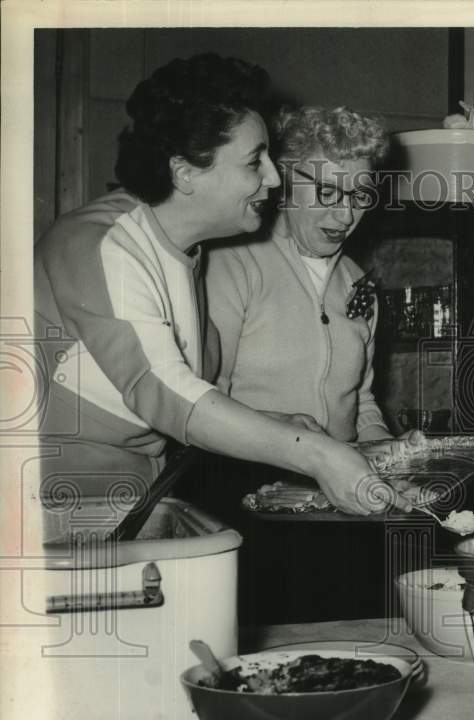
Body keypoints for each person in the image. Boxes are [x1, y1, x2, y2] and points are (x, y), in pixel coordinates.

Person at [34, 54, 399, 516]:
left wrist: (275, 422)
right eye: (254, 161)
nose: (272, 177)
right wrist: (315, 451)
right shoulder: (101, 243)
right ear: (186, 171)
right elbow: (165, 390)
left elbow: (178, 398)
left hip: (128, 501)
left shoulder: (190, 251)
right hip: (49, 507)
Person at [206, 105, 393, 443]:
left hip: (337, 486)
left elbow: (360, 403)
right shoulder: (233, 263)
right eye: (327, 192)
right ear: (286, 180)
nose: (346, 216)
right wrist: (283, 433)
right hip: (248, 477)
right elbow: (204, 403)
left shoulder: (357, 281)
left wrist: (387, 449)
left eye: (360, 196)